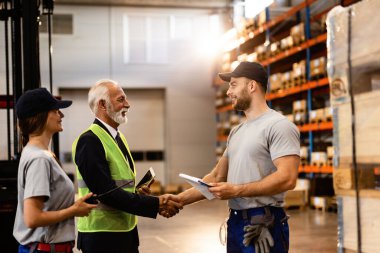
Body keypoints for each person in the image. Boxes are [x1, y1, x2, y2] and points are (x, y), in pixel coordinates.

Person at [178, 62, 300, 253]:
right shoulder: (237, 131)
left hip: (264, 223)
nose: (228, 92)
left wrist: (236, 190)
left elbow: (287, 178)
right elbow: (217, 176)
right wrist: (178, 200)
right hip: (236, 221)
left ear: (252, 86)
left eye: (234, 84)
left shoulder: (278, 126)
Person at [72, 79, 182, 253]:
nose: (127, 104)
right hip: (102, 237)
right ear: (102, 104)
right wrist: (155, 203)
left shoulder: (118, 137)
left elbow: (118, 185)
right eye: (121, 99)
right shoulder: (89, 141)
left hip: (125, 231)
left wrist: (136, 193)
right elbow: (106, 193)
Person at [13, 88, 97, 253]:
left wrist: (75, 205)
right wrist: (73, 211)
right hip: (43, 249)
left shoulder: (38, 153)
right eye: (56, 111)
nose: (61, 115)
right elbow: (32, 218)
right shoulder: (39, 159)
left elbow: (48, 206)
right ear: (41, 116)